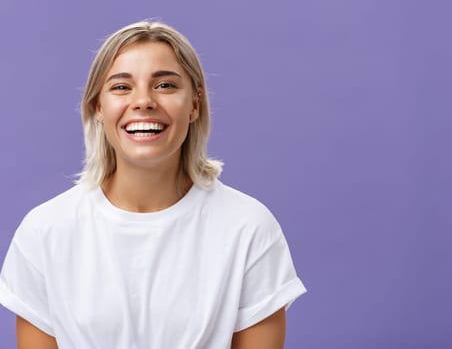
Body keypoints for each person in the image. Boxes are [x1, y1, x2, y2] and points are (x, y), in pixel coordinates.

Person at [0, 20, 306, 348]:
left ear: (194, 105)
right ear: (97, 107)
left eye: (165, 86)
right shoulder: (45, 231)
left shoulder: (248, 228)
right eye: (121, 87)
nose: (144, 101)